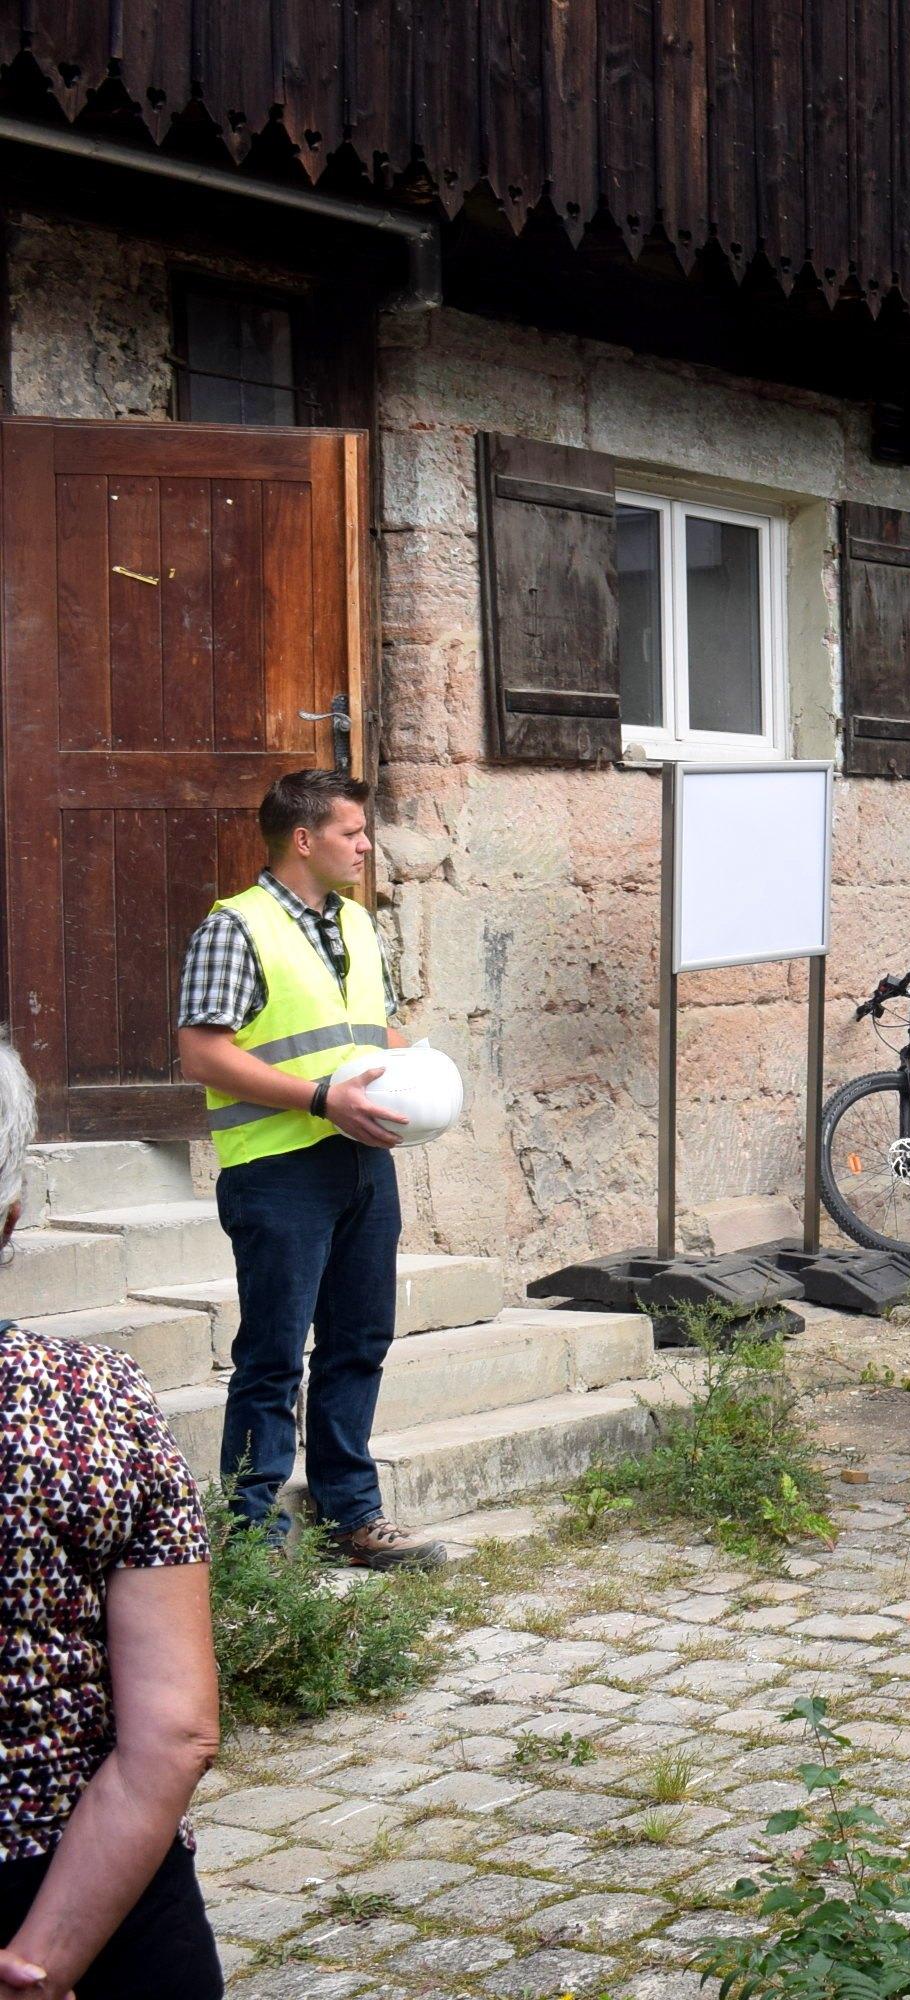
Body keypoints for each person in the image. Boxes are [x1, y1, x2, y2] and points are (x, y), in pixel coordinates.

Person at [0, 1039, 225, 1998]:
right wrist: (39, 1970)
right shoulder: (94, 1404)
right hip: (97, 1896)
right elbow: (174, 1732)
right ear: (12, 1213)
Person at [173, 769, 442, 1571]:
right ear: (303, 839)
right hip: (278, 1168)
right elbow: (201, 1053)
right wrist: (319, 1099)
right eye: (352, 833)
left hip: (363, 1158)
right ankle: (252, 1537)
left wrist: (422, 1069)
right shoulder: (235, 928)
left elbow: (370, 1030)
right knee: (273, 1354)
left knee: (359, 1341)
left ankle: (349, 1516)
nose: (366, 846)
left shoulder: (357, 924)